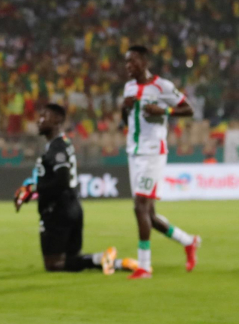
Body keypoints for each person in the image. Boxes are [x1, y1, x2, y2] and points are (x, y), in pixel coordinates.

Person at [14, 103, 137, 274]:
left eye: (44, 116)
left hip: (58, 211)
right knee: (71, 259)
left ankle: (101, 258)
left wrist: (34, 188)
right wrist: (32, 189)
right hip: (72, 207)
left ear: (57, 120)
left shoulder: (57, 146)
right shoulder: (61, 143)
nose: (39, 121)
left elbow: (62, 180)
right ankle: (113, 262)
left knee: (54, 264)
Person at [122, 45, 200, 280]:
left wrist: (164, 111)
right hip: (134, 152)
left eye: (133, 61)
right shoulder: (129, 87)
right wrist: (124, 108)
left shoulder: (161, 86)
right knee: (150, 215)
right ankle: (188, 241)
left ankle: (144, 266)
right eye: (126, 62)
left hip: (153, 152)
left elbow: (188, 109)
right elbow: (127, 118)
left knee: (139, 207)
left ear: (145, 62)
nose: (128, 66)